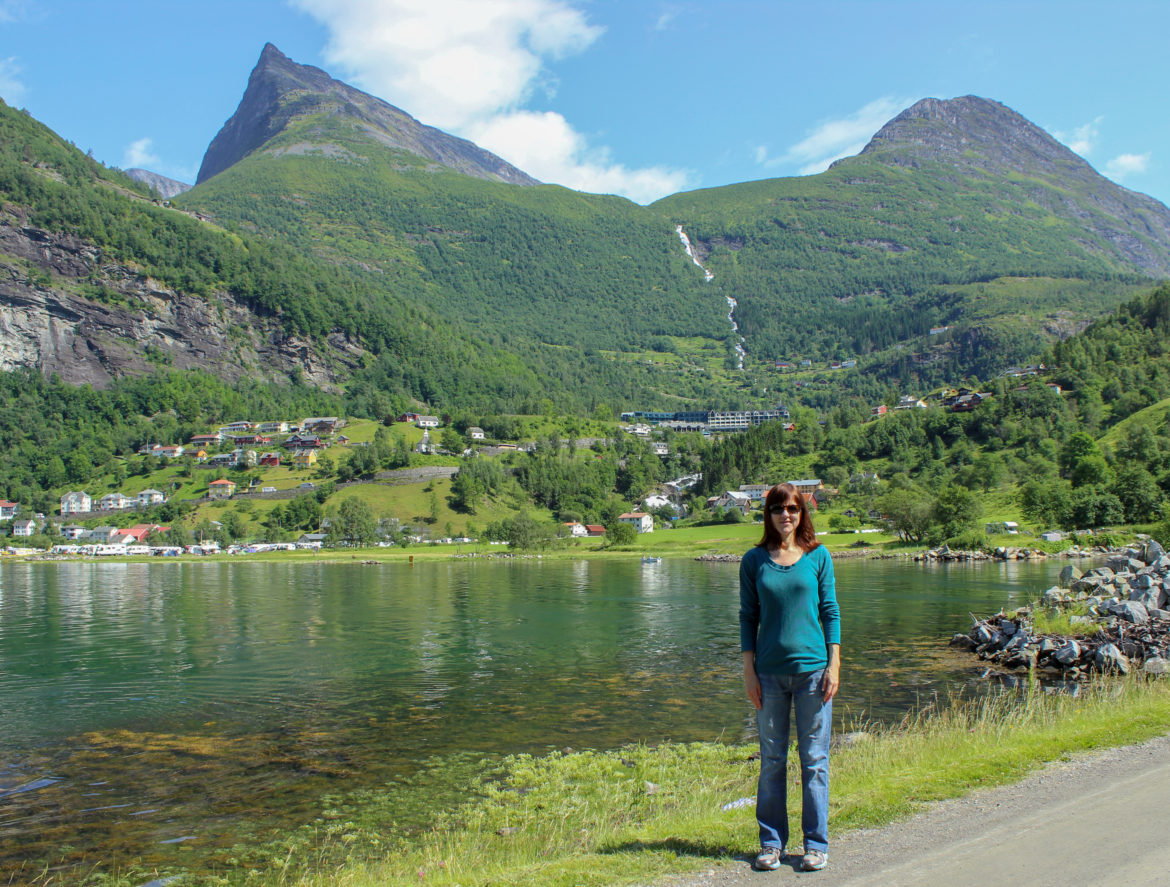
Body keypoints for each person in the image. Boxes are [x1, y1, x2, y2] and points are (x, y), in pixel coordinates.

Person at [739, 482, 841, 872]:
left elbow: (830, 612)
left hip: (814, 673)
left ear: (803, 513)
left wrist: (834, 665)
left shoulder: (818, 557)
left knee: (814, 759)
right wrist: (749, 671)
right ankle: (771, 844)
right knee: (772, 759)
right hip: (768, 675)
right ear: (768, 514)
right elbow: (748, 617)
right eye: (778, 508)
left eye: (793, 509)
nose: (786, 515)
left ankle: (816, 845)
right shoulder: (754, 560)